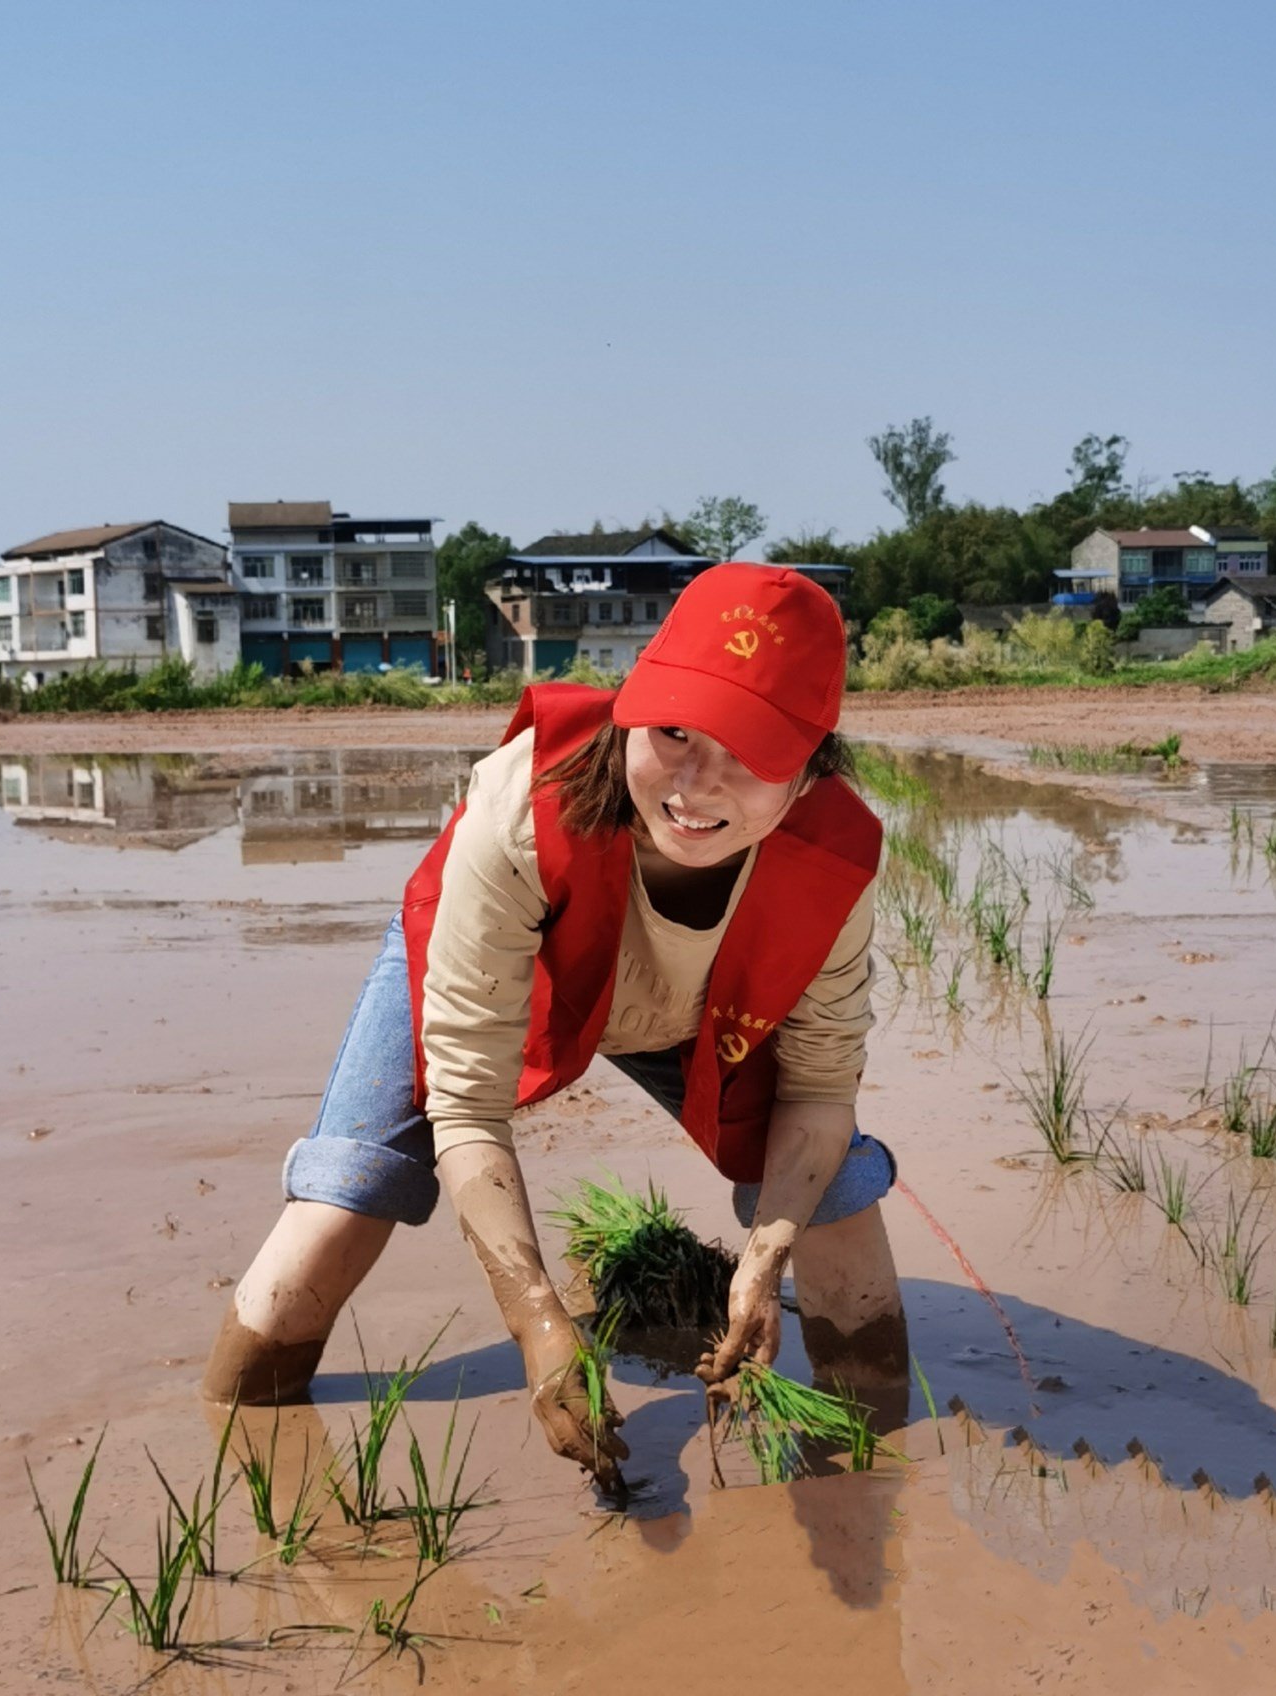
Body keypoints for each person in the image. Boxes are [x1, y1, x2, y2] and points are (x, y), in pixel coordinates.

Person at [203, 562, 907, 1492]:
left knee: (839, 1198)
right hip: (524, 968)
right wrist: (539, 1319)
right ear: (632, 712)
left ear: (812, 771)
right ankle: (239, 1425)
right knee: (345, 1198)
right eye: (674, 734)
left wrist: (763, 1259)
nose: (695, 785)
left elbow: (816, 1093)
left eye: (751, 754)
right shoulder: (522, 806)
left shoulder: (831, 864)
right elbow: (465, 1103)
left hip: (699, 1012)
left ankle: (878, 1449)